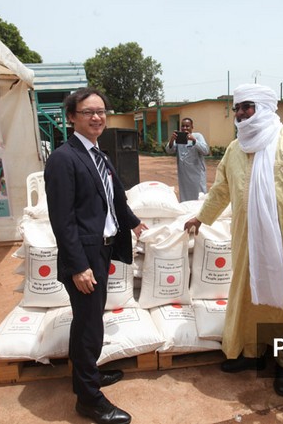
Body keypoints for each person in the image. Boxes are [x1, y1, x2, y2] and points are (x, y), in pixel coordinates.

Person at [184, 84, 283, 397]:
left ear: (263, 106)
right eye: (236, 108)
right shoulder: (236, 148)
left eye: (245, 107)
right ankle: (253, 353)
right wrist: (200, 217)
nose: (239, 113)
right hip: (247, 242)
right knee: (249, 299)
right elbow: (222, 189)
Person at [45, 87, 146, 424]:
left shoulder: (98, 155)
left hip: (101, 250)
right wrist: (78, 266)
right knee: (88, 325)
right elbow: (63, 219)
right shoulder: (63, 158)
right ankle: (88, 399)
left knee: (91, 320)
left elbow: (113, 195)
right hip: (84, 256)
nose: (97, 117)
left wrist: (133, 223)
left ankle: (88, 375)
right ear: (72, 117)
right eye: (88, 112)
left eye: (101, 111)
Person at [164, 117, 210, 201]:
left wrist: (194, 140)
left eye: (187, 126)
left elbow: (206, 151)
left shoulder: (198, 136)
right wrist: (171, 140)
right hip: (184, 175)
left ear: (192, 127)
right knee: (186, 198)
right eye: (183, 126)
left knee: (199, 197)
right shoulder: (178, 138)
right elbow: (169, 151)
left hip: (197, 175)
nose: (185, 128)